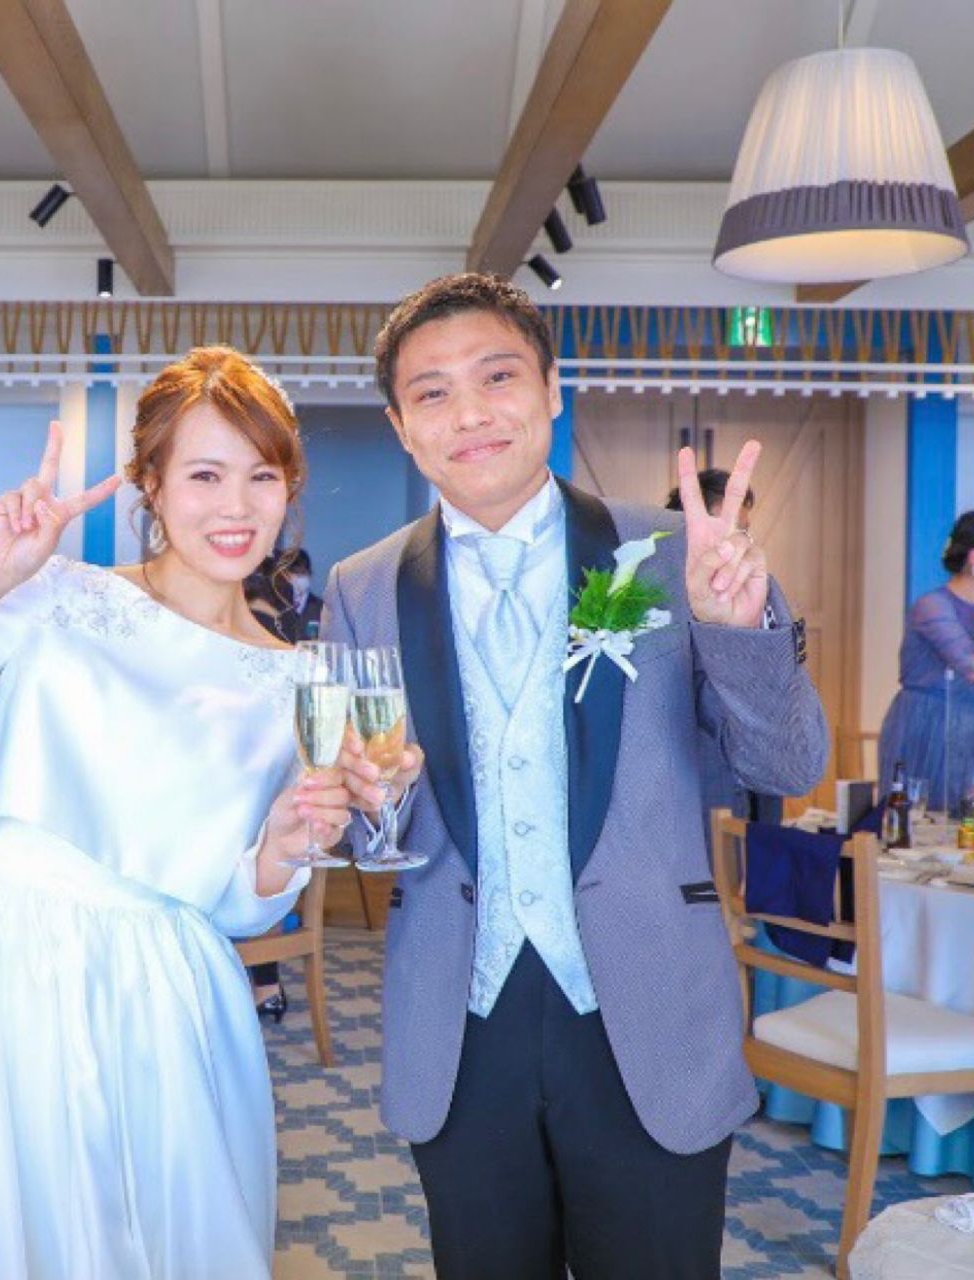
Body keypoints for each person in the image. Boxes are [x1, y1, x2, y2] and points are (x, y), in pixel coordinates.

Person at [322, 274, 828, 1279]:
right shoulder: (361, 585)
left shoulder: (670, 554)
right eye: (431, 393)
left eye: (496, 377)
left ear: (551, 390)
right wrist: (363, 799)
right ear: (401, 428)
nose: (469, 413)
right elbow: (358, 822)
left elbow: (786, 765)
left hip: (649, 1006)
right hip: (458, 1022)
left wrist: (735, 631)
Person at [0, 347, 351, 1280]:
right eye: (205, 475)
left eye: (262, 476)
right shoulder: (59, 595)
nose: (236, 506)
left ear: (289, 487)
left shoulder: (295, 677)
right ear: (152, 484)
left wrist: (287, 847)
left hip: (167, 993)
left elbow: (237, 906)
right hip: (5, 961)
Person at [666, 470, 783, 829]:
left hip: (753, 756)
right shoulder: (652, 592)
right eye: (729, 529)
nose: (737, 544)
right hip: (693, 767)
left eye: (743, 531)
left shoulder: (756, 589)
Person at [878, 510, 974, 816]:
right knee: (921, 824)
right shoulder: (932, 607)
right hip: (929, 725)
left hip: (965, 724)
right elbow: (968, 663)